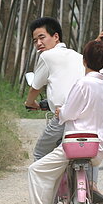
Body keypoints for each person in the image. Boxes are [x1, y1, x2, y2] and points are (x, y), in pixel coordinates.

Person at [8, 40, 103, 204]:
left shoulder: (82, 84)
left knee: (37, 169)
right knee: (52, 168)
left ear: (84, 61)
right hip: (98, 147)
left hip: (75, 145)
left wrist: (60, 111)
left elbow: (67, 114)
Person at [25, 17, 84, 161]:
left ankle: (45, 184)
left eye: (42, 37)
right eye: (35, 41)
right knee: (87, 153)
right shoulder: (79, 56)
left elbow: (35, 87)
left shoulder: (46, 56)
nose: (38, 43)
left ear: (56, 36)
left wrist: (30, 103)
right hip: (85, 116)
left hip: (63, 115)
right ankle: (92, 183)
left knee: (40, 153)